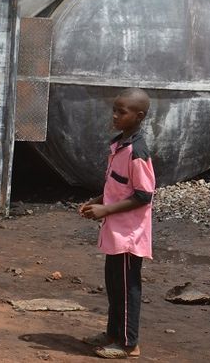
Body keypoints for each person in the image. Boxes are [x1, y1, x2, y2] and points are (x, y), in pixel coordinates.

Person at [79, 88, 156, 359]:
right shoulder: (119, 145)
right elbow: (116, 184)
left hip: (128, 234)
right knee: (114, 285)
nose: (114, 116)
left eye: (121, 112)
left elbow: (144, 195)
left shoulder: (137, 151)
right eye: (114, 110)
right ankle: (113, 333)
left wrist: (106, 209)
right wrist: (97, 200)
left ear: (139, 116)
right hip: (115, 230)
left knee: (127, 289)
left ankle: (128, 343)